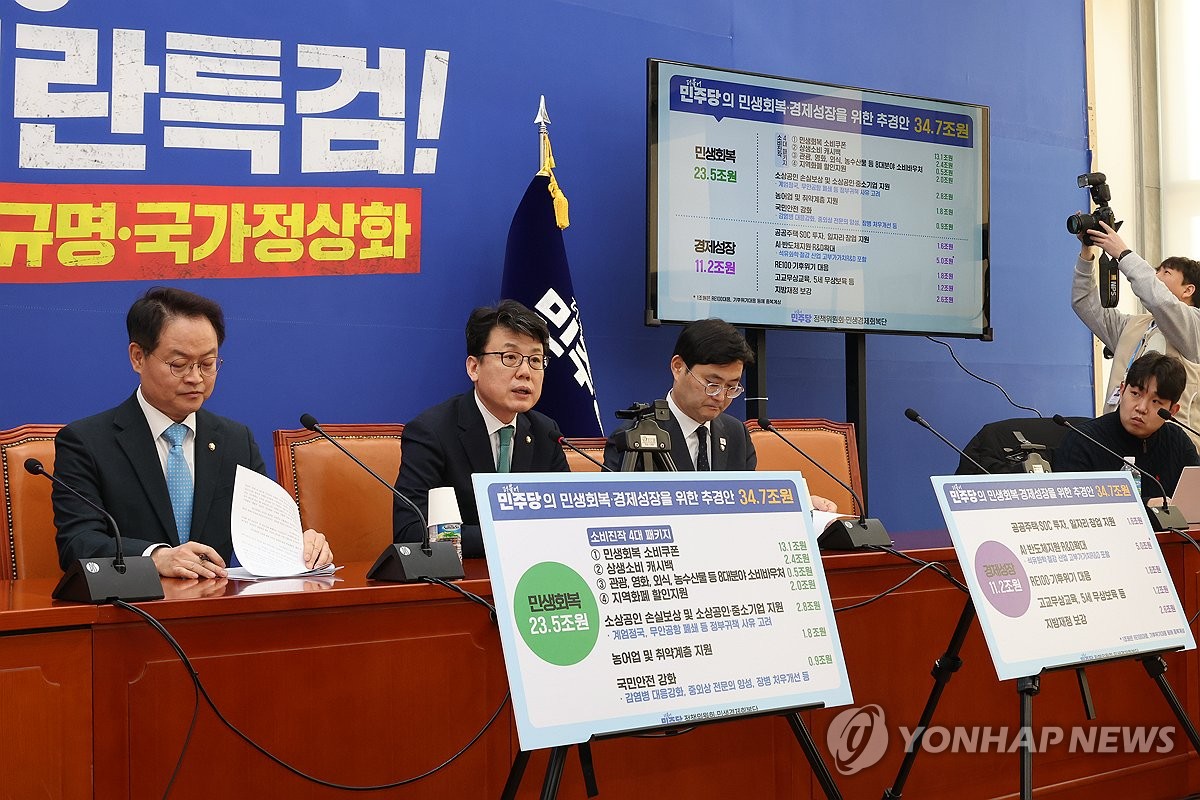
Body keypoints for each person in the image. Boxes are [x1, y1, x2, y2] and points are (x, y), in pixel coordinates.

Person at [53, 287, 332, 579]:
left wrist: (299, 546)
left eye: (207, 364)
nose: (196, 378)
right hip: (131, 601)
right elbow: (77, 542)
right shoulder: (86, 442)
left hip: (215, 601)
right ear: (138, 357)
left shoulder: (236, 441)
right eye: (179, 365)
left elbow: (267, 536)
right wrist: (155, 557)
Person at [601, 318, 838, 512]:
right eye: (712, 384)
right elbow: (613, 514)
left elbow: (748, 504)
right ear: (678, 367)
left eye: (732, 387)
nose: (721, 397)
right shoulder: (633, 437)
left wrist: (802, 505)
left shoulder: (736, 433)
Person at [393, 300, 569, 557]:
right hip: (465, 577)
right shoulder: (431, 432)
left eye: (535, 360)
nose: (525, 372)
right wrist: (513, 535)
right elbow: (410, 531)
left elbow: (566, 521)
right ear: (474, 367)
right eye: (510, 357)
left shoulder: (546, 433)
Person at [1073, 219, 1200, 445]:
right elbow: (1084, 303)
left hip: (1172, 449)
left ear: (1188, 290)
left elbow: (1160, 301)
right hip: (1117, 443)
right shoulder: (1135, 325)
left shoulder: (1193, 325)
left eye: (1165, 272)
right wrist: (1087, 252)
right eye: (1155, 271)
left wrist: (1122, 253)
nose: (1155, 276)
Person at [1055, 352, 1200, 500]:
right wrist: (1150, 508)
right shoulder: (1083, 441)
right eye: (1136, 394)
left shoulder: (1178, 442)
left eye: (1156, 401)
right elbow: (1070, 505)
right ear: (1122, 390)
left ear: (1172, 411)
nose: (1141, 408)